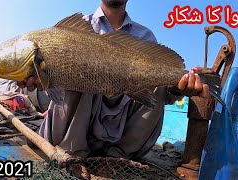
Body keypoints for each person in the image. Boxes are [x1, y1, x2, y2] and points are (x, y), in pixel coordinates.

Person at [17, 0, 209, 160]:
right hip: (73, 134)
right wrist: (39, 81)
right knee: (74, 69)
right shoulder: (74, 28)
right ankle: (72, 152)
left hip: (121, 137)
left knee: (156, 84)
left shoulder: (146, 37)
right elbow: (51, 89)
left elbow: (163, 97)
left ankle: (118, 159)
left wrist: (178, 88)